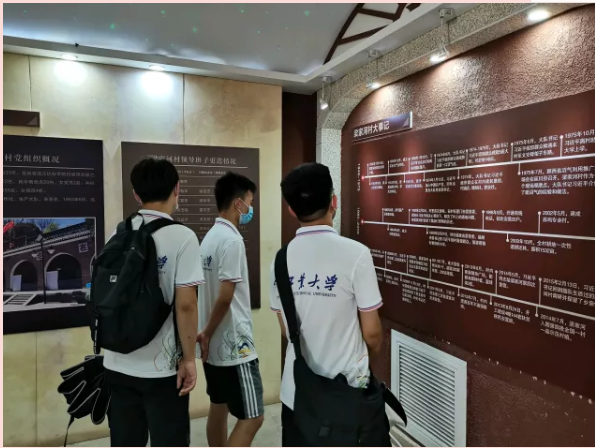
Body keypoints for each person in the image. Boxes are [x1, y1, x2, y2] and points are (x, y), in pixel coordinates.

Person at [270, 162, 384, 446]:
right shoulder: (356, 254)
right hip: (348, 394)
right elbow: (372, 333)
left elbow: (285, 329)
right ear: (334, 201)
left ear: (291, 210)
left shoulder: (280, 260)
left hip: (297, 394)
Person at [104, 158, 204, 447]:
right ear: (177, 189)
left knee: (125, 442)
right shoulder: (183, 237)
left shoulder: (119, 232)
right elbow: (186, 305)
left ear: (136, 195)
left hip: (117, 361)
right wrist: (189, 360)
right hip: (161, 369)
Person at [197, 171, 264, 447]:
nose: (250, 208)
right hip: (235, 346)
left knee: (219, 407)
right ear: (238, 203)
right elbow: (226, 297)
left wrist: (206, 334)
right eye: (250, 202)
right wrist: (208, 332)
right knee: (253, 417)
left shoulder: (210, 237)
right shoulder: (232, 240)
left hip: (213, 347)